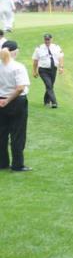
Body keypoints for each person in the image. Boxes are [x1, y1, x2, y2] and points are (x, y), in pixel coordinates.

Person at [0, 40, 30, 171]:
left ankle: (2, 163)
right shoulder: (18, 67)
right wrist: (8, 100)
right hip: (16, 102)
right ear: (15, 52)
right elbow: (20, 88)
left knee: (1, 133)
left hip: (1, 101)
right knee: (17, 133)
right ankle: (17, 164)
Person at [32, 33, 65, 109]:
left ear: (51, 39)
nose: (47, 41)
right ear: (44, 39)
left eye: (48, 39)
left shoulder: (56, 47)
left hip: (53, 69)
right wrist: (34, 71)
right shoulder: (39, 48)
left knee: (50, 86)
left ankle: (46, 101)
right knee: (49, 85)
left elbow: (61, 58)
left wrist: (61, 67)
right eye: (45, 39)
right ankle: (54, 103)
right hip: (43, 70)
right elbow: (35, 60)